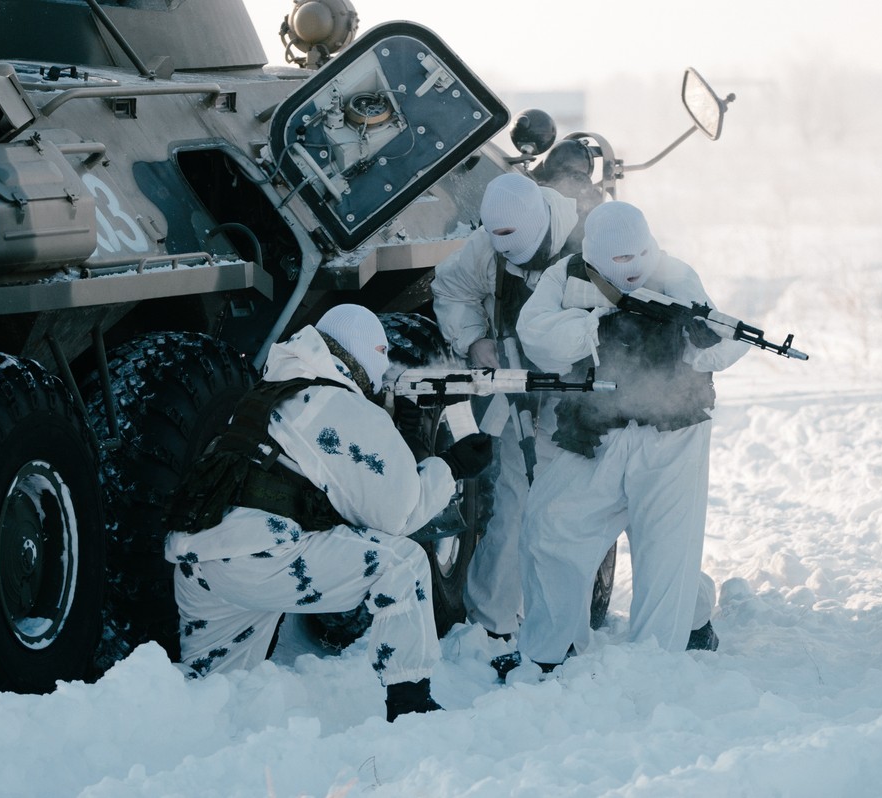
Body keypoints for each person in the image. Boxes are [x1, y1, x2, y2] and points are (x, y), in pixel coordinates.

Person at [163, 304, 493, 721]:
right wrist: (453, 466)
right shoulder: (338, 404)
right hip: (262, 561)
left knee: (214, 694)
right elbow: (398, 518)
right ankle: (412, 705)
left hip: (201, 565)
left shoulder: (271, 391)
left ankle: (168, 743)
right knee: (402, 564)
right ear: (370, 354)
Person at [508, 200, 750, 672]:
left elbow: (719, 349)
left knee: (667, 551)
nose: (636, 267)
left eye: (641, 254)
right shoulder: (565, 277)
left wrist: (699, 340)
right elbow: (535, 336)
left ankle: (654, 664)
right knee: (550, 530)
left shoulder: (675, 274)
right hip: (593, 430)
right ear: (597, 256)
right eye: (621, 260)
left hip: (671, 432)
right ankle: (548, 654)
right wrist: (598, 328)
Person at [431, 171, 580, 639]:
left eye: (513, 242)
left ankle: (570, 621)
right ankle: (493, 622)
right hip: (520, 394)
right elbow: (451, 290)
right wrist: (475, 340)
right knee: (515, 502)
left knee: (579, 510)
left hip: (585, 399)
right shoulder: (486, 247)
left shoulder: (586, 245)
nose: (504, 251)